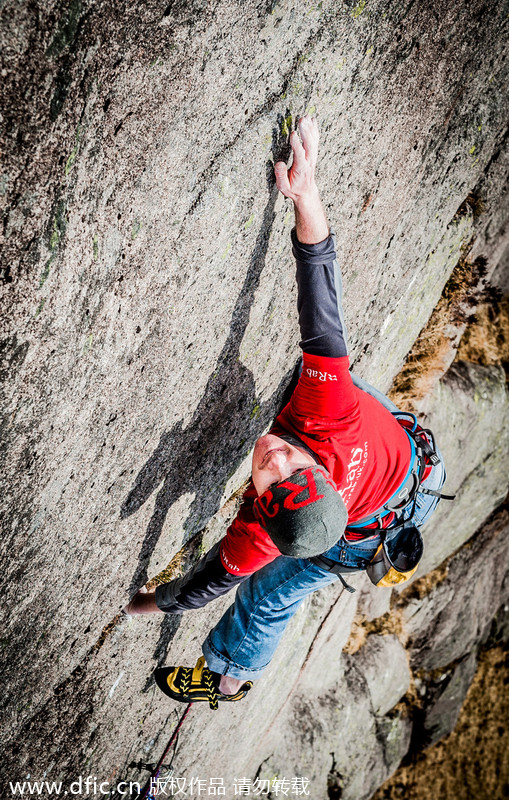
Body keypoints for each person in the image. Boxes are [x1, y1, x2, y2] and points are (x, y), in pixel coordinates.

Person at [124, 116, 447, 710]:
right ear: (320, 470)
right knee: (335, 376)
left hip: (375, 516)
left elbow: (209, 587)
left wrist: (133, 607)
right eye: (295, 464)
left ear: (263, 514)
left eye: (271, 480)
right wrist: (306, 192)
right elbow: (322, 306)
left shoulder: (261, 538)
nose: (274, 456)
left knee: (267, 598)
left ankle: (228, 676)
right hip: (407, 467)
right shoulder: (330, 416)